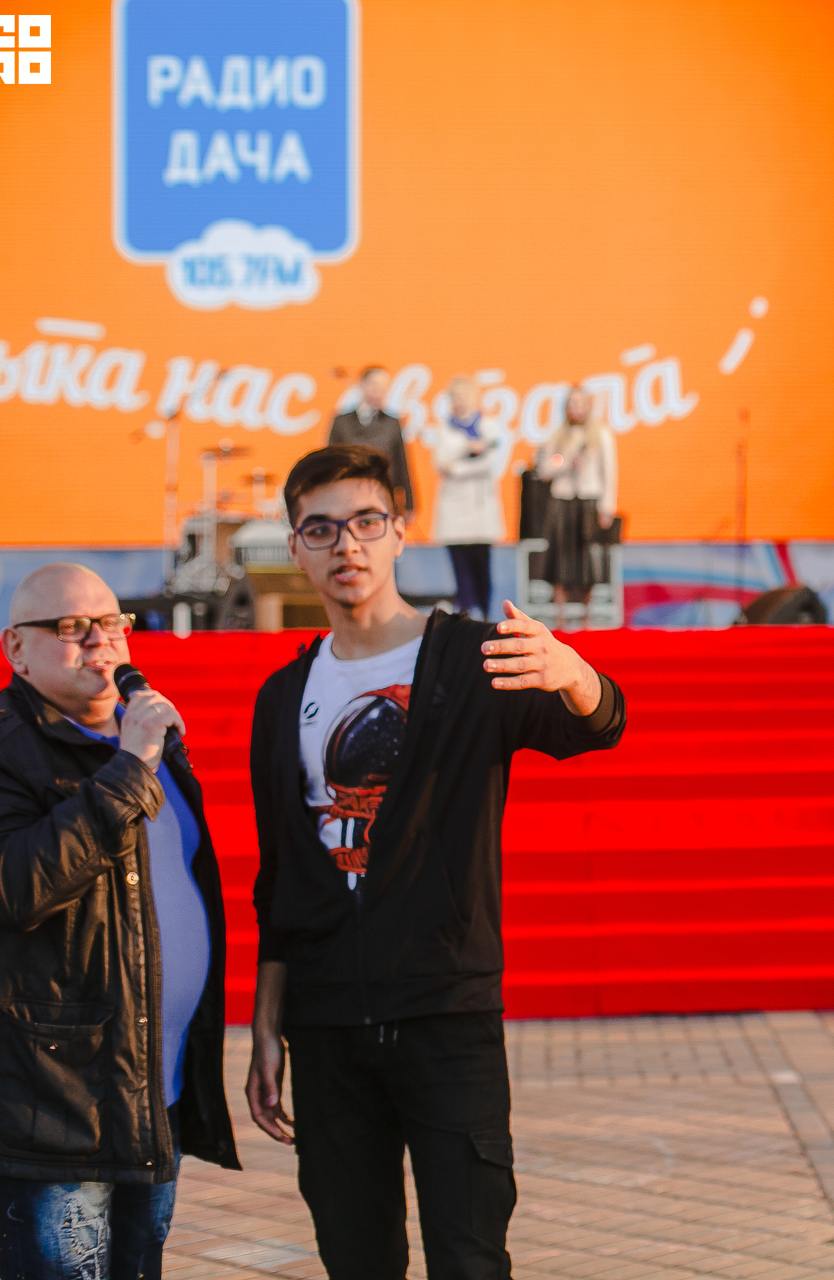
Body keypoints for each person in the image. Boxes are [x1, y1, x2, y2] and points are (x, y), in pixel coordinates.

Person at [245, 444, 625, 1279]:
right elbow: (279, 879)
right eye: (321, 529)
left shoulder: (470, 656)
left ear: (400, 531)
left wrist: (575, 674)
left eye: (366, 521)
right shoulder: (281, 696)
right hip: (326, 1022)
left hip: (446, 1010)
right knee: (355, 1257)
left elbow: (595, 727)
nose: (347, 544)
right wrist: (267, 1025)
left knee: (470, 1256)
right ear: (297, 546)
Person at [0, 564, 239, 1279]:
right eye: (72, 628)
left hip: (148, 1086)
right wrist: (130, 767)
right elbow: (10, 887)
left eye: (112, 623)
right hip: (53, 1102)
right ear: (15, 648)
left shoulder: (144, 743)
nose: (100, 641)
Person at [534, 385, 619, 616]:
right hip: (563, 500)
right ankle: (560, 617)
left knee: (586, 562)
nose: (576, 408)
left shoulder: (601, 434)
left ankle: (586, 617)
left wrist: (607, 507)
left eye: (581, 403)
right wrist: (565, 462)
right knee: (559, 560)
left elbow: (609, 472)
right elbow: (545, 468)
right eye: (572, 403)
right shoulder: (558, 435)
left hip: (588, 501)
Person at [432, 376, 504, 620]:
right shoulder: (444, 428)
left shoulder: (489, 426)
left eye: (464, 396)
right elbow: (440, 462)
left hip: (480, 506)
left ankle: (484, 614)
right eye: (456, 397)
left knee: (482, 566)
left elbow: (489, 463)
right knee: (460, 567)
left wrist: (456, 468)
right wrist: (467, 448)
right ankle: (466, 615)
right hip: (454, 507)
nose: (460, 401)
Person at [328, 365, 415, 517]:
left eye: (383, 387)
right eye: (374, 384)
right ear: (362, 384)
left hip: (382, 493)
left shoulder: (392, 423)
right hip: (350, 494)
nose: (378, 391)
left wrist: (409, 503)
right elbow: (331, 462)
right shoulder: (342, 422)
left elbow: (401, 463)